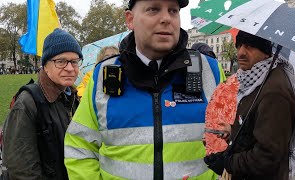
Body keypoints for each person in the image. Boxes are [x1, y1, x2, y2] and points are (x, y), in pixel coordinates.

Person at [64, 0, 225, 179]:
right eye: (153, 9)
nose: (166, 18)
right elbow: (79, 148)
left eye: (173, 11)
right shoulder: (103, 76)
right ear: (130, 19)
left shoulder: (211, 71)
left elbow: (234, 143)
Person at [204, 31, 295, 180]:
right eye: (239, 46)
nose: (241, 53)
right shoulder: (256, 81)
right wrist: (233, 131)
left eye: (250, 46)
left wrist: (229, 163)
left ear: (265, 52)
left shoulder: (274, 91)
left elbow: (267, 156)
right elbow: (259, 128)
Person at [2, 28, 82, 179]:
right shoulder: (27, 103)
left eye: (74, 61)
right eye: (61, 61)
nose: (70, 68)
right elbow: (21, 170)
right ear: (45, 65)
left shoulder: (73, 98)